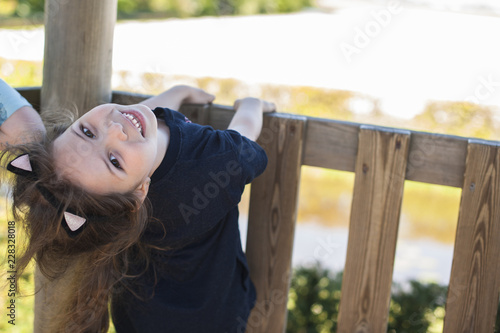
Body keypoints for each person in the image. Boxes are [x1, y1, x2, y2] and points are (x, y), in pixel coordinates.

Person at [0, 78, 275, 332]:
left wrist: (177, 93)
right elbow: (244, 141)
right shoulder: (210, 164)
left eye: (87, 132)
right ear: (139, 193)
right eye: (114, 160)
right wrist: (252, 104)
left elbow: (133, 119)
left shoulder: (109, 211)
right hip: (213, 313)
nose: (115, 130)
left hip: (137, 317)